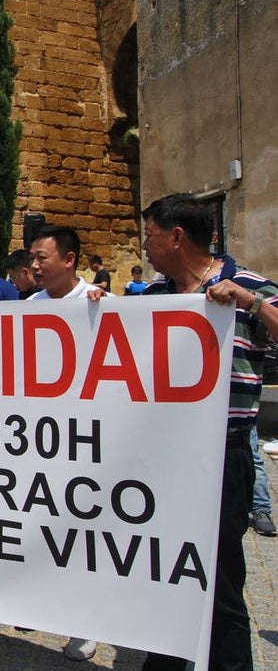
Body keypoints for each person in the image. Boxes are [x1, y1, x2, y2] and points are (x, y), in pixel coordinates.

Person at [139, 193, 278, 671]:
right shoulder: (153, 297)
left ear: (177, 237)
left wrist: (248, 301)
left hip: (222, 456)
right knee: (159, 572)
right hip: (161, 459)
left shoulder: (249, 284)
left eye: (150, 237)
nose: (145, 248)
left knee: (218, 582)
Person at [27, 225, 100, 661]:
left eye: (42, 258)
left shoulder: (98, 304)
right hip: (40, 439)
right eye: (32, 258)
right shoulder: (31, 305)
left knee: (82, 535)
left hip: (85, 440)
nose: (34, 266)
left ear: (69, 260)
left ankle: (86, 625)